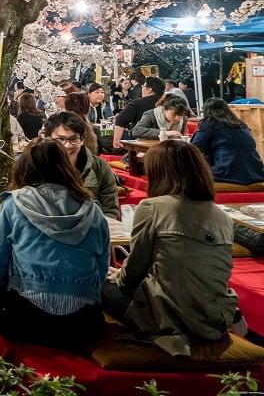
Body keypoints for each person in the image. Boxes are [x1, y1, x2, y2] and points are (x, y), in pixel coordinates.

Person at [0, 138, 108, 350]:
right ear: (67, 167)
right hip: (83, 327)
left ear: (24, 167)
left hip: (24, 324)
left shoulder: (14, 203)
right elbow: (101, 268)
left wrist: (8, 293)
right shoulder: (93, 209)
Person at [102, 141, 240, 356]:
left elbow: (134, 273)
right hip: (216, 317)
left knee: (98, 285)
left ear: (159, 172)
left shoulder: (153, 207)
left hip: (168, 316)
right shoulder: (222, 216)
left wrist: (118, 276)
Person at [44, 111, 119, 218]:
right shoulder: (38, 166)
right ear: (48, 139)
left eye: (74, 139)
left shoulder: (99, 167)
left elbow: (110, 210)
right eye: (61, 139)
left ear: (82, 140)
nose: (68, 145)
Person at [191, 98, 264, 186]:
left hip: (226, 172)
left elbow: (194, 148)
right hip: (255, 172)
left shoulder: (210, 123)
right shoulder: (241, 125)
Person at [113, 75, 163, 150]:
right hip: (169, 143)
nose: (142, 89)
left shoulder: (138, 103)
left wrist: (116, 141)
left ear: (149, 89)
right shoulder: (172, 101)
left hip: (142, 145)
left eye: (143, 86)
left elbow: (120, 120)